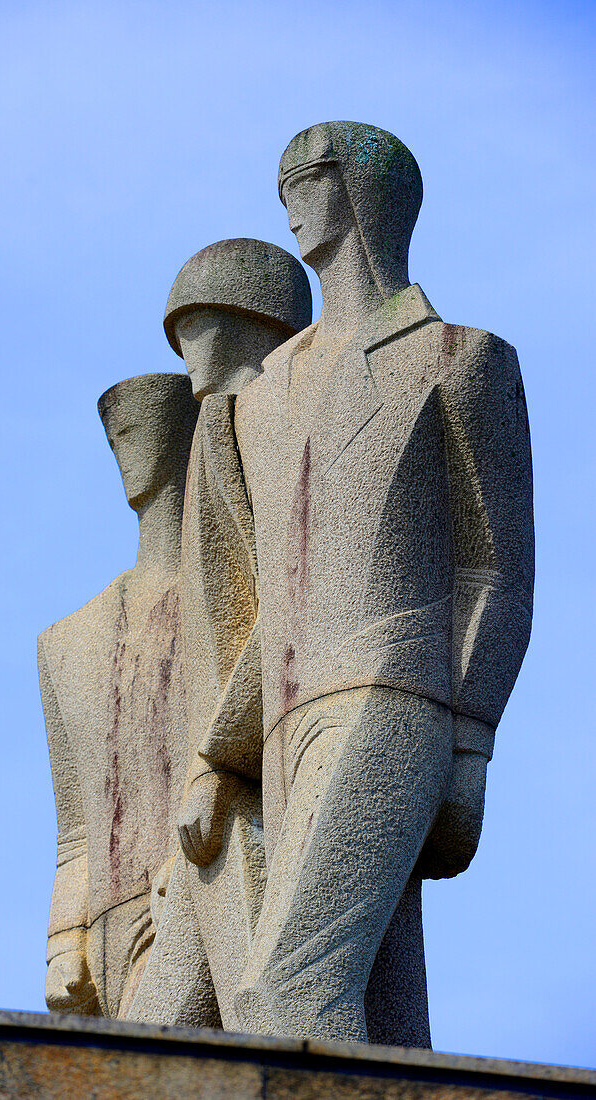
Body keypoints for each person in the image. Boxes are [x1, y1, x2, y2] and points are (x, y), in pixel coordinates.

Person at [177, 122, 534, 1042]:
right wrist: (224, 757)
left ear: (365, 191)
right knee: (380, 1008)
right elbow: (266, 603)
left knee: (285, 987)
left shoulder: (460, 358)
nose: (288, 198)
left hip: (397, 694)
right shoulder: (254, 401)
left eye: (306, 175)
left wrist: (470, 745)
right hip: (289, 719)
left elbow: (492, 572)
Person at [128, 237, 312, 1029]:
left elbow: (295, 608)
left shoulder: (266, 419)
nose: (186, 349)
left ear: (251, 320)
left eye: (200, 325)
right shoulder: (217, 430)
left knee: (268, 1019)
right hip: (210, 812)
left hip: (254, 788)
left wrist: (216, 761)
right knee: (149, 1044)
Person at [41, 372, 197, 1017]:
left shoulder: (234, 592)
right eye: (117, 434)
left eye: (143, 426)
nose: (127, 445)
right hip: (108, 918)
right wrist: (63, 941)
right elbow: (76, 826)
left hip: (205, 883)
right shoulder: (69, 641)